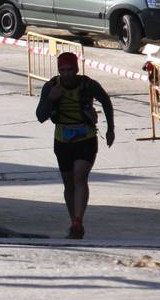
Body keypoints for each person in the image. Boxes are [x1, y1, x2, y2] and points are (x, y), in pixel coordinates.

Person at [36, 52, 115, 239]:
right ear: (58, 71)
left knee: (80, 177)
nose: (67, 74)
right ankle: (75, 222)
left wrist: (110, 129)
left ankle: (78, 220)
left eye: (71, 70)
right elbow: (40, 116)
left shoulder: (88, 85)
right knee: (68, 183)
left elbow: (106, 101)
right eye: (63, 70)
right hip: (62, 140)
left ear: (77, 69)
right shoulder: (51, 86)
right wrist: (50, 99)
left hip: (86, 138)